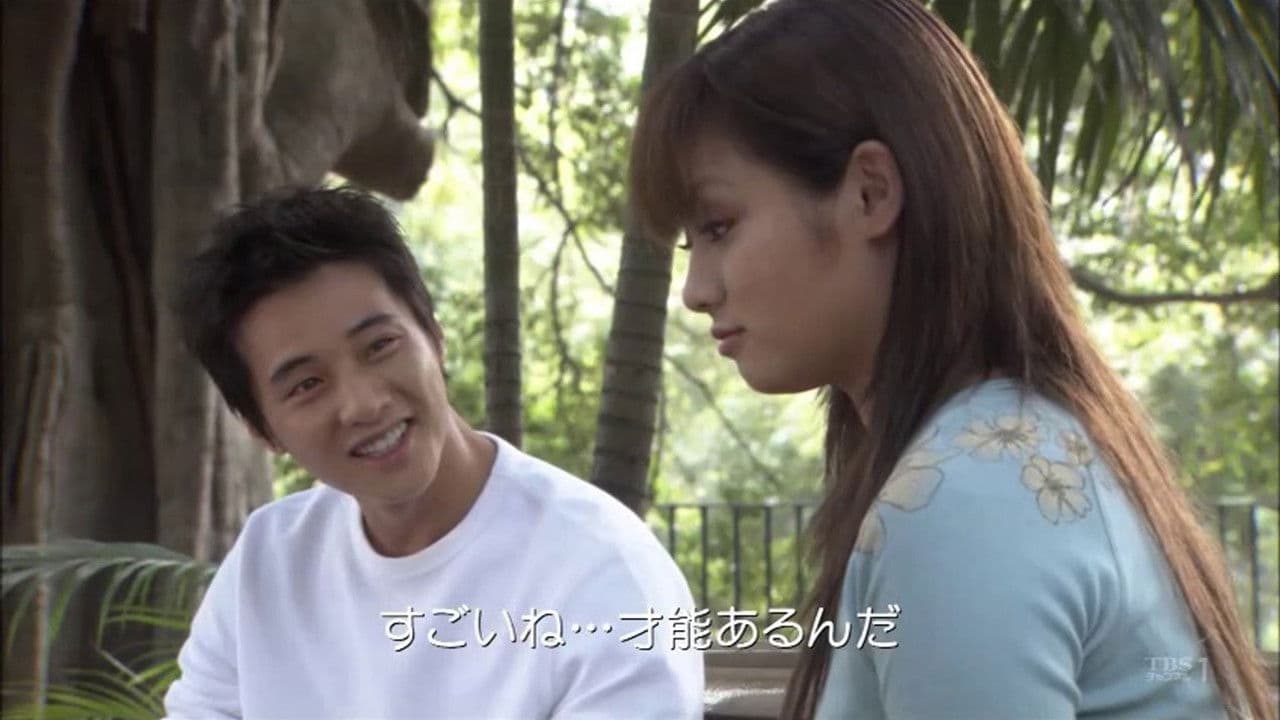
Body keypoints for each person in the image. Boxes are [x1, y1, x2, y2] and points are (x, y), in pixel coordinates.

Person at [627, 1, 1275, 719]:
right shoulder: (1017, 449)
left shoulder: (964, 504)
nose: (696, 290)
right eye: (690, 243)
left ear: (871, 192)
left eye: (719, 227)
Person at [164, 186, 702, 719]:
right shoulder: (268, 563)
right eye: (307, 384)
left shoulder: (600, 573)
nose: (364, 403)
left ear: (435, 338)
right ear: (262, 429)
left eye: (379, 346)